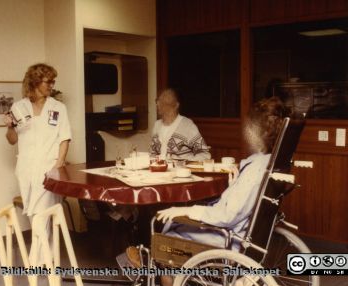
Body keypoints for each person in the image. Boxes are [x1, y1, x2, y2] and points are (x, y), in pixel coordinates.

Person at [124, 96, 290, 284]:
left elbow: (226, 215)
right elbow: (243, 201)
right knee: (175, 222)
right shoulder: (267, 163)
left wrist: (185, 210)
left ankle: (153, 262)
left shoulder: (255, 170)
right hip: (244, 234)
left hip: (226, 239)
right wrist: (236, 184)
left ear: (256, 131)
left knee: (164, 235)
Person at [4, 63, 71, 265]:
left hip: (50, 169)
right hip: (26, 170)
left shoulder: (58, 108)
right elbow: (12, 140)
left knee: (42, 214)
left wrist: (58, 166)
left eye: (53, 81)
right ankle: (47, 260)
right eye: (48, 81)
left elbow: (64, 138)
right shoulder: (18, 107)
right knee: (35, 215)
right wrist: (9, 127)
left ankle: (36, 261)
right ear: (35, 82)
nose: (52, 85)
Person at [150, 88, 211, 161]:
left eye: (166, 101)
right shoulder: (157, 125)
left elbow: (204, 155)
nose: (159, 104)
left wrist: (184, 163)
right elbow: (152, 154)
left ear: (176, 105)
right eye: (159, 101)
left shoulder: (187, 125)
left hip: (180, 171)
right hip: (159, 171)